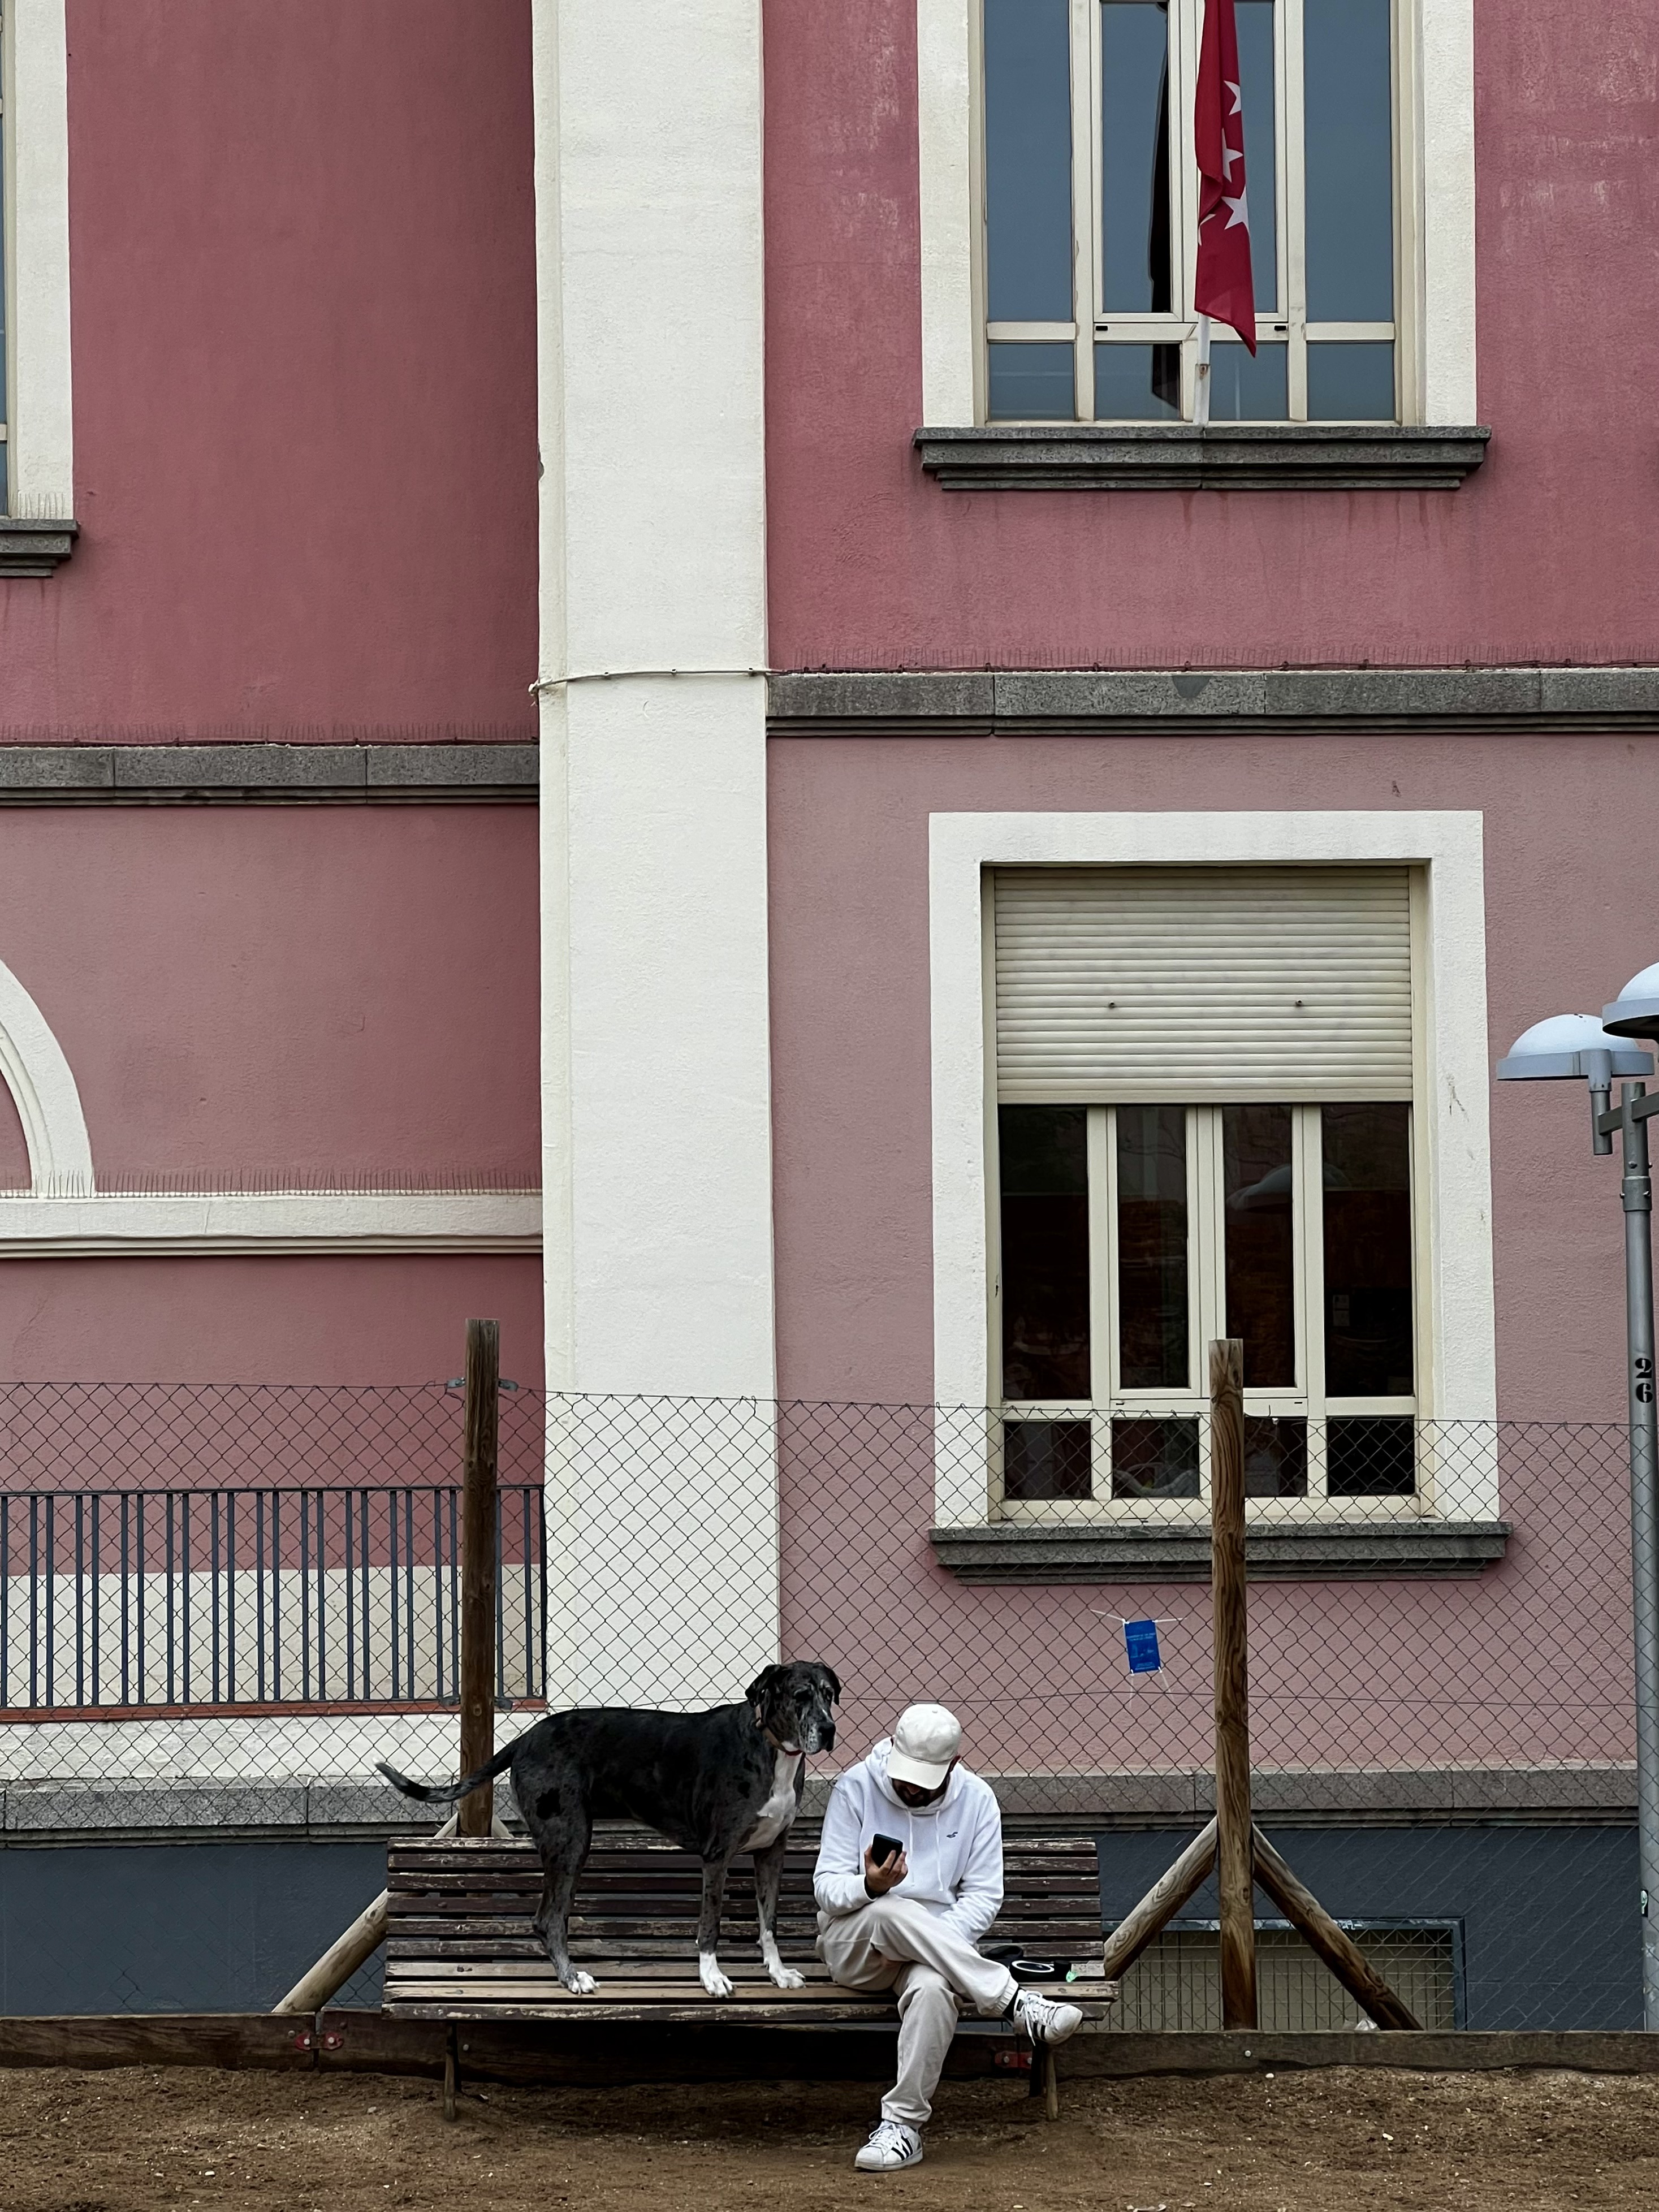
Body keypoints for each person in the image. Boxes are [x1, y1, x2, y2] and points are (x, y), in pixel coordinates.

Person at [813, 1701, 1082, 2171]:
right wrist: (871, 1886)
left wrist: (932, 1945)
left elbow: (982, 1897)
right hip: (855, 1943)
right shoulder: (856, 1787)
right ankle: (1016, 2004)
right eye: (905, 1772)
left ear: (954, 1765)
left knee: (935, 1989)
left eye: (923, 1778)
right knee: (892, 1909)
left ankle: (902, 2128)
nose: (909, 1786)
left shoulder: (977, 1800)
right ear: (892, 1748)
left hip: (936, 1957)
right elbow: (827, 1890)